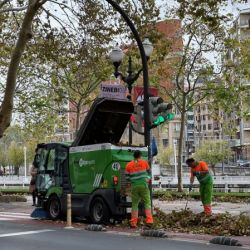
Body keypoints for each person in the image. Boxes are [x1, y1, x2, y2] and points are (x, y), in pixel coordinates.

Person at [125, 150, 153, 228]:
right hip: (144, 185)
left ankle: (133, 223)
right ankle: (149, 221)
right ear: (140, 156)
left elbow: (127, 178)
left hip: (134, 187)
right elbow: (149, 173)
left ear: (133, 156)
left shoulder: (128, 165)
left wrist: (133, 182)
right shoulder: (144, 163)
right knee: (147, 203)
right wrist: (148, 178)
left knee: (134, 204)